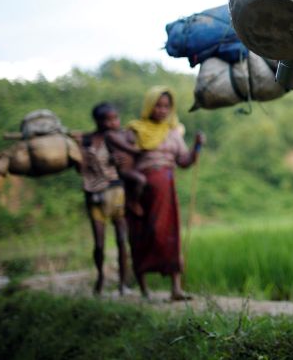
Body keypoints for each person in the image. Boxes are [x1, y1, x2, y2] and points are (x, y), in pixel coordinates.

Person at [125, 86, 204, 301]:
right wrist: (132, 196)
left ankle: (175, 288)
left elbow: (184, 161)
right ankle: (143, 289)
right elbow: (126, 165)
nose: (162, 110)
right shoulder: (135, 130)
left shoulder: (173, 133)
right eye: (158, 105)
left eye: (166, 106)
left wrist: (196, 147)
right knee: (142, 234)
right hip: (141, 191)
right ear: (149, 105)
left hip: (167, 190)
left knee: (169, 234)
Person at [76, 102, 130, 295]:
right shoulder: (86, 141)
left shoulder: (123, 139)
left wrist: (120, 161)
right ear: (98, 121)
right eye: (107, 119)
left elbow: (131, 162)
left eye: (114, 119)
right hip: (95, 195)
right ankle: (100, 277)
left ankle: (123, 284)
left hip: (118, 193)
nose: (111, 123)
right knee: (99, 243)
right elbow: (79, 166)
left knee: (122, 240)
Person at [105, 126, 147, 217]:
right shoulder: (111, 135)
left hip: (133, 168)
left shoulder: (129, 137)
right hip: (124, 170)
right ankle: (133, 202)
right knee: (141, 179)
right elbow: (132, 150)